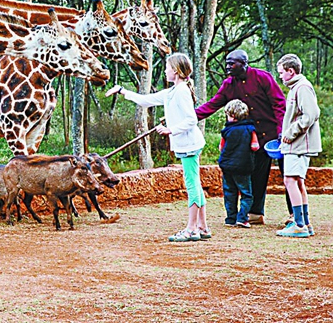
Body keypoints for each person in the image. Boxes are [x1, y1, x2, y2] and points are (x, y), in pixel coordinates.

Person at [107, 52, 209, 242]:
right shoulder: (173, 91)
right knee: (195, 183)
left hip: (188, 144)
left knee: (192, 185)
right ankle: (202, 227)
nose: (166, 70)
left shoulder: (181, 92)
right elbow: (147, 100)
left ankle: (192, 229)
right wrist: (122, 91)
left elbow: (191, 119)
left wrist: (171, 130)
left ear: (176, 71)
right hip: (186, 144)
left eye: (168, 67)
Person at [195, 49, 286, 226]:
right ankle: (255, 213)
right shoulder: (229, 84)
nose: (228, 66)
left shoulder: (262, 77)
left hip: (270, 135)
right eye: (227, 63)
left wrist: (281, 130)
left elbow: (279, 104)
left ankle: (294, 214)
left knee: (285, 174)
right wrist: (189, 117)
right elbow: (212, 105)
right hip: (248, 139)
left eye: (232, 63)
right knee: (253, 176)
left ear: (244, 63)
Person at [275, 54, 321, 238]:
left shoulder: (302, 87)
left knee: (290, 180)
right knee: (298, 181)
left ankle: (299, 224)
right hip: (297, 143)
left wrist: (291, 133)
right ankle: (305, 222)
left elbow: (311, 114)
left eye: (281, 72)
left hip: (298, 144)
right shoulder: (297, 87)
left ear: (290, 71)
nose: (280, 76)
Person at [218, 99, 260, 228]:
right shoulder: (250, 129)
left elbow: (221, 147)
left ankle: (230, 218)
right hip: (243, 166)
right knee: (246, 194)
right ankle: (242, 218)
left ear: (232, 116)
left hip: (227, 166)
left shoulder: (226, 131)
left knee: (229, 192)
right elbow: (255, 146)